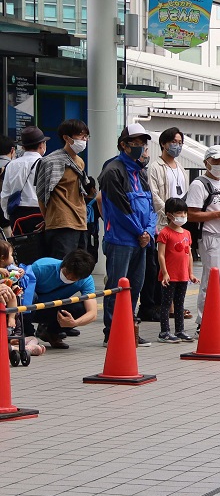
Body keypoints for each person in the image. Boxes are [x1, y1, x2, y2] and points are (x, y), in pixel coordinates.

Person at [98, 123, 158, 347]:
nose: (141, 147)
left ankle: (129, 329)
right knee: (116, 287)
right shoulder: (112, 171)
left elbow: (151, 207)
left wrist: (148, 232)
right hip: (121, 240)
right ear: (123, 145)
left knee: (135, 286)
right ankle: (111, 333)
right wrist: (140, 231)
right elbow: (120, 209)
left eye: (143, 143)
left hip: (141, 240)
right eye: (136, 143)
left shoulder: (140, 171)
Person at [187, 145, 220, 328]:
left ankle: (217, 320)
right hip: (212, 237)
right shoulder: (199, 184)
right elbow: (191, 214)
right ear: (207, 162)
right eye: (217, 161)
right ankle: (204, 323)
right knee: (211, 281)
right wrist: (218, 215)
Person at [142, 127, 188, 323]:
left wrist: (180, 216)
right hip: (161, 224)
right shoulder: (155, 166)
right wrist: (168, 214)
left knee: (177, 265)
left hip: (177, 224)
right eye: (173, 142)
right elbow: (154, 195)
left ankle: (172, 305)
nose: (177, 146)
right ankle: (155, 306)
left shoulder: (180, 168)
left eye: (180, 142)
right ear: (163, 143)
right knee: (158, 266)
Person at [35, 119, 94, 259]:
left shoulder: (80, 162)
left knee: (80, 268)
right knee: (63, 267)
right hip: (61, 223)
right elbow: (41, 195)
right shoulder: (50, 161)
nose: (84, 140)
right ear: (66, 138)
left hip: (80, 221)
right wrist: (49, 219)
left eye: (86, 136)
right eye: (81, 136)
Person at [22, 249, 97, 349]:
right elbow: (22, 295)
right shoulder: (41, 268)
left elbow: (92, 313)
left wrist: (74, 323)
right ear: (64, 263)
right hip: (29, 308)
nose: (69, 277)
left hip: (52, 309)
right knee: (30, 295)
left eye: (74, 277)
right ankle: (26, 333)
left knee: (81, 307)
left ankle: (51, 332)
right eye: (67, 272)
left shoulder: (86, 281)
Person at [156, 197, 198, 343]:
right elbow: (160, 254)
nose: (182, 216)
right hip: (169, 276)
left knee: (180, 303)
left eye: (184, 213)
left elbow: (189, 254)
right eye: (179, 213)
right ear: (169, 215)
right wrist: (165, 273)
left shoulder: (187, 233)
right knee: (167, 304)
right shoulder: (165, 233)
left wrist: (191, 273)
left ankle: (179, 330)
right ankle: (164, 332)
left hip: (183, 275)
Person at [1, 126, 47, 231]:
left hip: (17, 215)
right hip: (40, 214)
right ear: (41, 145)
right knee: (40, 246)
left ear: (23, 147)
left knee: (20, 246)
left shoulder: (12, 165)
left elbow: (5, 195)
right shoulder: (46, 164)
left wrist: (9, 216)